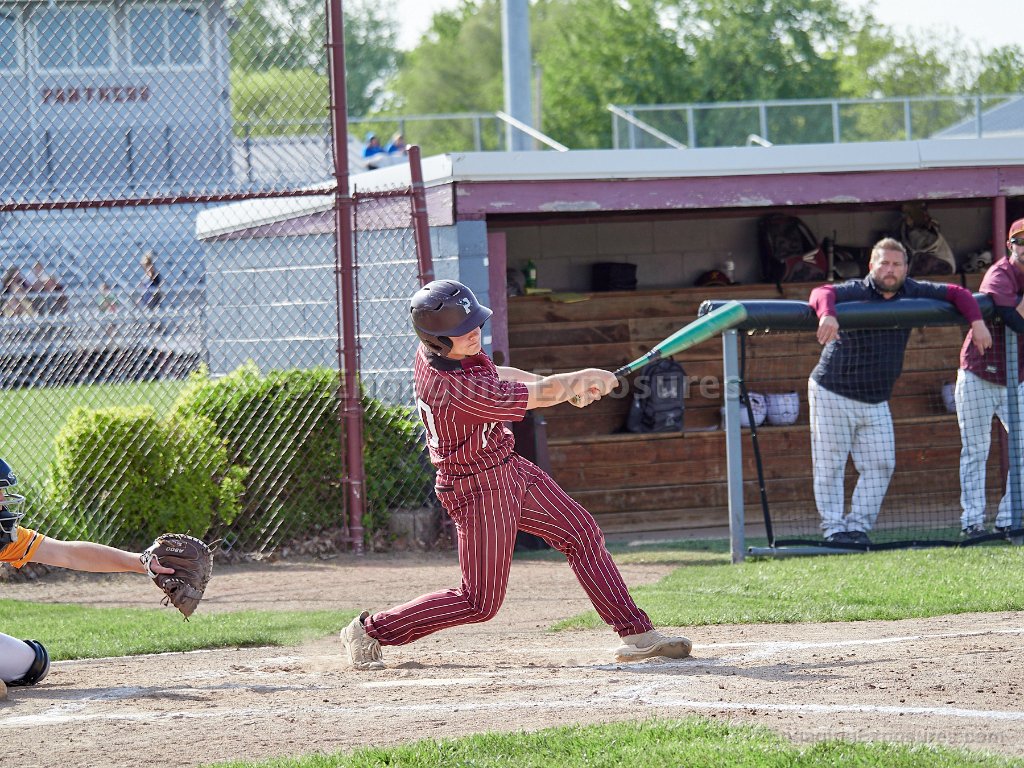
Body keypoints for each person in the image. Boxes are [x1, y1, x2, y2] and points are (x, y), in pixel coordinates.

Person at [339, 279, 692, 670]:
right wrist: (579, 379)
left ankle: (637, 634)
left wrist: (566, 385)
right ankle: (370, 630)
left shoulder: (442, 353)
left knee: (581, 533)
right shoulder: (455, 389)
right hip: (476, 488)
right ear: (436, 339)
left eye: (474, 323)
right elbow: (533, 396)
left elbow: (500, 374)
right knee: (479, 602)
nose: (474, 333)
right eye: (462, 330)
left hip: (508, 467)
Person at [808, 237, 991, 546]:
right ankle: (834, 530)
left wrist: (977, 322)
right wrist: (827, 314)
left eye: (896, 264)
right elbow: (821, 292)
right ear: (872, 266)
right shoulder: (858, 290)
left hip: (877, 398)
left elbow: (958, 292)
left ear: (906, 268)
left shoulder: (912, 289)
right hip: (833, 390)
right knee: (830, 465)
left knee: (881, 464)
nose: (890, 270)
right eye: (884, 264)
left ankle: (857, 528)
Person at [0, 458, 175, 692]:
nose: (3, 500)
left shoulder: (4, 537)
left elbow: (69, 554)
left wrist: (141, 562)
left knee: (35, 663)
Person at [955, 218, 1024, 538]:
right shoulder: (1000, 273)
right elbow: (1013, 320)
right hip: (979, 374)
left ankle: (1010, 518)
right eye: (1021, 241)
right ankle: (972, 521)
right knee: (975, 450)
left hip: (1018, 378)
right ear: (1010, 245)